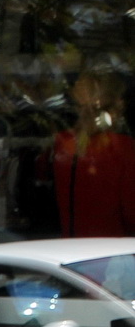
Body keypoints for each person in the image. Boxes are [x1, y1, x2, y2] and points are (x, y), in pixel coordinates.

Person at [52, 71, 135, 237]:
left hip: (69, 245)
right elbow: (131, 212)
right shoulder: (123, 147)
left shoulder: (63, 144)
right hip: (114, 247)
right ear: (118, 104)